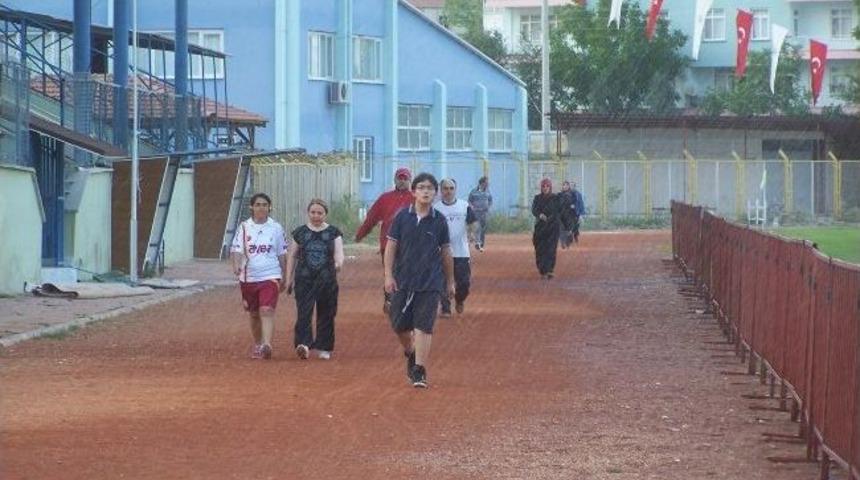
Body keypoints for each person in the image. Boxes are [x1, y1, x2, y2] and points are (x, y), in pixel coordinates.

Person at [384, 172, 455, 388]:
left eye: (430, 188)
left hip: (430, 281)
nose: (426, 191)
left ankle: (419, 369)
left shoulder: (439, 220)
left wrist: (450, 281)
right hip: (403, 279)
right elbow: (391, 247)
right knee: (399, 324)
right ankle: (412, 352)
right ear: (414, 192)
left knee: (424, 326)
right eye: (421, 187)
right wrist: (388, 274)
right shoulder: (401, 217)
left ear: (435, 193)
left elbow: (445, 252)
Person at [231, 193, 288, 360]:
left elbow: (282, 253)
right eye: (258, 204)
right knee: (254, 313)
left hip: (270, 274)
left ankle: (267, 345)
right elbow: (236, 249)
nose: (261, 208)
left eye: (264, 205)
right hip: (249, 277)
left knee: (267, 309)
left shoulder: (276, 228)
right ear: (252, 207)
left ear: (269, 207)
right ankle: (258, 344)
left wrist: (285, 275)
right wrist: (235, 265)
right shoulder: (244, 227)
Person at [285, 199, 344, 360]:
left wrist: (338, 264)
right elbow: (292, 256)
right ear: (308, 213)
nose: (316, 216)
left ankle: (324, 347)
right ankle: (303, 344)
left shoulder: (333, 233)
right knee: (304, 312)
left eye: (320, 213)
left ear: (325, 214)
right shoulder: (300, 233)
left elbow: (339, 253)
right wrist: (288, 278)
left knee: (326, 312)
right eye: (313, 212)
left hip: (327, 280)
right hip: (304, 279)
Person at [355, 167, 414, 314]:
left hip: (409, 244)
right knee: (391, 272)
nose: (402, 181)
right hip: (388, 244)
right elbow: (372, 218)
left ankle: (402, 300)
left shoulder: (416, 198)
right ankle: (390, 299)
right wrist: (361, 234)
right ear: (395, 180)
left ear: (409, 181)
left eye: (405, 178)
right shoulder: (385, 198)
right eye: (399, 178)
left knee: (406, 273)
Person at [434, 178, 477, 317]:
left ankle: (459, 300)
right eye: (445, 188)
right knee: (442, 281)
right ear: (441, 190)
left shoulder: (464, 206)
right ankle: (445, 308)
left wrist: (471, 233)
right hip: (441, 252)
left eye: (451, 188)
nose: (448, 191)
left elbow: (473, 222)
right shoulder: (435, 208)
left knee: (464, 283)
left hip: (461, 252)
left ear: (455, 190)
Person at [532, 178, 561, 279]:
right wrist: (540, 215)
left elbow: (559, 210)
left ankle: (550, 270)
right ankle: (542, 270)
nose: (545, 188)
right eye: (543, 186)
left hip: (553, 227)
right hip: (540, 227)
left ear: (550, 187)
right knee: (540, 249)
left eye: (547, 186)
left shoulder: (556, 198)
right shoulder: (537, 198)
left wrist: (550, 218)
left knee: (551, 249)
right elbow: (534, 210)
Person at [467, 176, 492, 251]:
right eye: (486, 182)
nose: (488, 184)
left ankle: (481, 243)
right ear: (482, 183)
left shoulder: (488, 191)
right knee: (477, 227)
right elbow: (469, 200)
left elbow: (490, 200)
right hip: (476, 212)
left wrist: (488, 206)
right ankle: (477, 243)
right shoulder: (473, 191)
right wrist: (471, 207)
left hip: (484, 213)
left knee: (483, 228)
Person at [558, 181, 577, 249]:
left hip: (569, 214)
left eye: (566, 185)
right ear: (562, 186)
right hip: (560, 215)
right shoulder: (559, 195)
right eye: (564, 185)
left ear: (569, 186)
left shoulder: (572, 194)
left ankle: (568, 243)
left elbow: (575, 203)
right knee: (561, 229)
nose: (565, 186)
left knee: (569, 230)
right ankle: (562, 242)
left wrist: (573, 206)